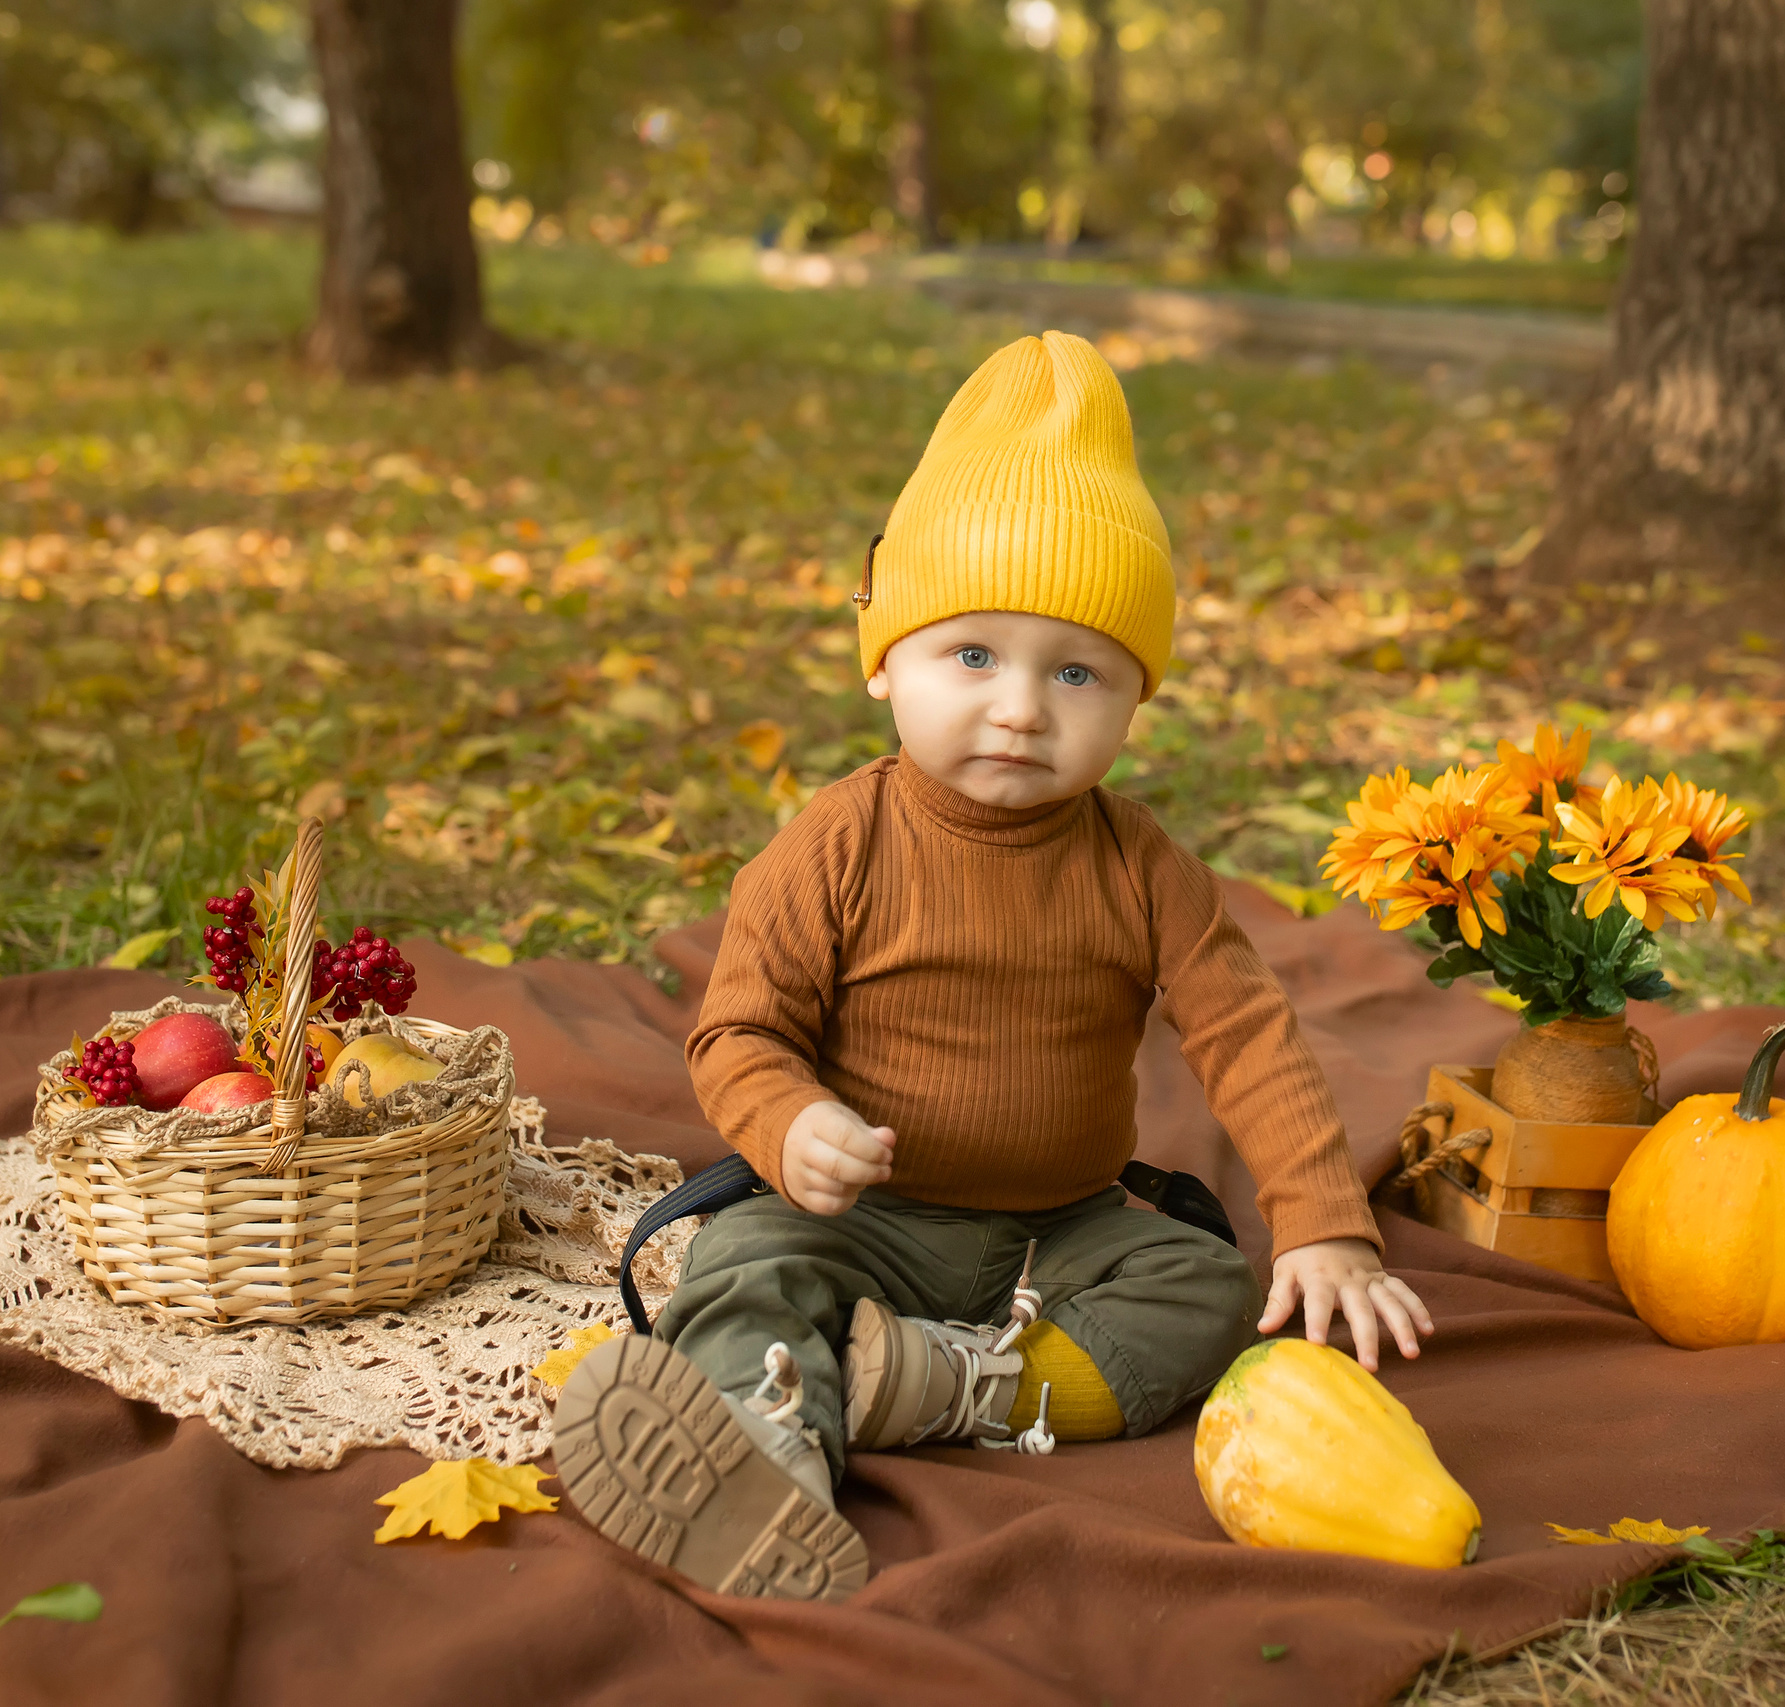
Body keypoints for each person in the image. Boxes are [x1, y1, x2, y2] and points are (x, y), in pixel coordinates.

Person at [553, 330, 1432, 1603]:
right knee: (744, 1266)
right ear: (882, 661)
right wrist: (791, 1123)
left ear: (1134, 704)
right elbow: (739, 1034)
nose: (1020, 706)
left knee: (1207, 1289)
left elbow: (1246, 1033)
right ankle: (760, 1462)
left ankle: (941, 1387)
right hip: (866, 1217)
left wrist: (1325, 1226)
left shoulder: (1139, 866)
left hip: (1058, 1230)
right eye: (971, 655)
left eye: (1074, 670)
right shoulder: (838, 845)